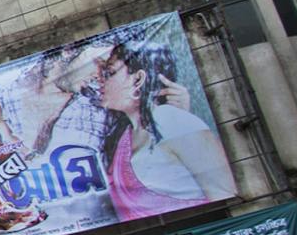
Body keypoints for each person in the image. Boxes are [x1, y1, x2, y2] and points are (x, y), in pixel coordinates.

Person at [91, 40, 233, 220]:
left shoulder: (171, 120)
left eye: (110, 73)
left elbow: (224, 193)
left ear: (138, 79)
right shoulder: (124, 135)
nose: (100, 80)